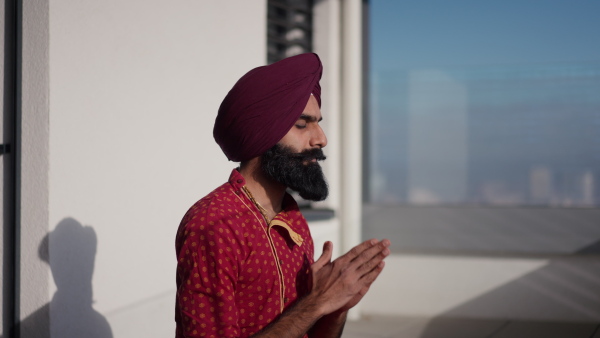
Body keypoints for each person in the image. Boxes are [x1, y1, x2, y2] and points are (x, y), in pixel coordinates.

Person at [175, 53, 391, 338]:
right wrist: (315, 303)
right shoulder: (214, 225)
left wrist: (335, 308)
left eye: (318, 123)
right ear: (264, 133)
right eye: (302, 124)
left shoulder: (292, 218)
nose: (321, 138)